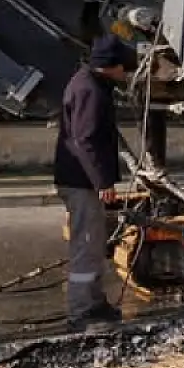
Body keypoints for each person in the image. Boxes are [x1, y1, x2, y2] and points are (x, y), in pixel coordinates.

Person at [54, 33, 137, 333]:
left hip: (80, 179)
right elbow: (85, 139)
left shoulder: (89, 82)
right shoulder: (89, 89)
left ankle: (95, 302)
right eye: (123, 67)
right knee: (86, 246)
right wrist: (102, 181)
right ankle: (81, 311)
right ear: (110, 66)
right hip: (82, 181)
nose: (126, 72)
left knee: (94, 243)